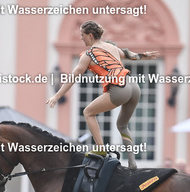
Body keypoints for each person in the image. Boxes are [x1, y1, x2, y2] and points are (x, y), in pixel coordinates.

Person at [46, 20, 159, 169]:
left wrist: (56, 96)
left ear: (90, 35)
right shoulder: (111, 47)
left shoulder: (88, 55)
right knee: (122, 125)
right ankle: (132, 163)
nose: (81, 38)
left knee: (88, 112)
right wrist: (144, 55)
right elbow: (130, 55)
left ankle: (100, 148)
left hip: (119, 88)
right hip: (133, 86)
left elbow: (73, 77)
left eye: (82, 35)